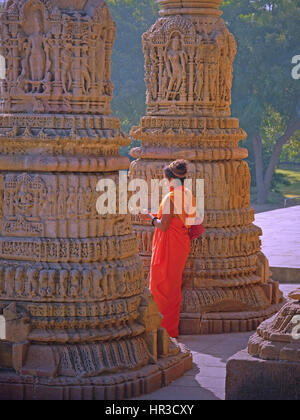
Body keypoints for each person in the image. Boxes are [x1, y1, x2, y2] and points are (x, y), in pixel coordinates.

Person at [141, 160, 200, 338]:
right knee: (172, 287)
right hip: (181, 242)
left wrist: (149, 217)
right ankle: (170, 329)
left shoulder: (171, 197)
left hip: (169, 245)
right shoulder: (187, 194)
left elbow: (163, 225)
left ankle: (163, 329)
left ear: (170, 180)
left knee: (162, 286)